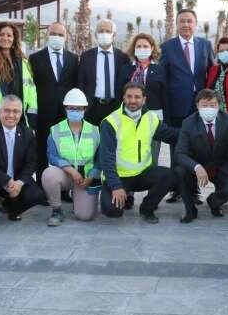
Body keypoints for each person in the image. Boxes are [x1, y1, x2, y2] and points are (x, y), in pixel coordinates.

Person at [98, 82, 180, 223]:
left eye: (137, 97)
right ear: (123, 98)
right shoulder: (111, 121)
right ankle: (121, 197)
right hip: (120, 176)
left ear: (144, 99)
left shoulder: (151, 118)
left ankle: (147, 208)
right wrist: (116, 186)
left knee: (170, 175)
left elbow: (170, 134)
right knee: (112, 211)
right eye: (129, 96)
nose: (133, 100)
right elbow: (106, 158)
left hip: (143, 174)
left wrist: (193, 131)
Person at [174, 89, 228, 223]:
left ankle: (214, 201)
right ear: (197, 106)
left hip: (221, 163)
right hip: (198, 163)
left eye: (213, 105)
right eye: (204, 105)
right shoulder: (188, 123)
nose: (209, 109)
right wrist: (197, 167)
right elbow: (179, 153)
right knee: (180, 171)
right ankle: (190, 209)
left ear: (218, 106)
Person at [0, 95, 46, 231]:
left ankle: (12, 208)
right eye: (7, 110)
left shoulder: (28, 133)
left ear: (20, 114)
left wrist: (19, 183)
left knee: (37, 195)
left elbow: (31, 163)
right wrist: (7, 181)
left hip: (16, 181)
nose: (11, 115)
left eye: (15, 111)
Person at [28, 22, 79, 184]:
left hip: (66, 114)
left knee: (65, 150)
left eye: (61, 34)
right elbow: (31, 86)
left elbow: (75, 85)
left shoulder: (73, 59)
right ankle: (42, 186)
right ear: (47, 35)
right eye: (53, 34)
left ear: (66, 37)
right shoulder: (35, 58)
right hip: (43, 112)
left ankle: (64, 187)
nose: (57, 37)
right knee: (42, 150)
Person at [41, 89, 101, 226]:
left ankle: (78, 200)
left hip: (86, 178)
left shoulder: (95, 130)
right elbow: (52, 156)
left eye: (78, 108)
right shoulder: (55, 130)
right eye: (71, 108)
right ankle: (57, 210)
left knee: (85, 216)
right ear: (65, 108)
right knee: (48, 174)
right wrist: (72, 171)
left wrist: (91, 177)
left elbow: (99, 159)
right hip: (66, 175)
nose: (75, 111)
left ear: (84, 109)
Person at [159, 8, 214, 130]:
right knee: (179, 140)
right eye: (182, 21)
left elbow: (212, 73)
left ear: (195, 24)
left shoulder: (205, 45)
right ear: (177, 24)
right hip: (177, 106)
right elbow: (163, 78)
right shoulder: (166, 47)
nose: (186, 24)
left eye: (189, 21)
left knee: (202, 139)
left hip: (202, 104)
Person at [119, 33, 167, 165]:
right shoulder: (126, 69)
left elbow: (165, 96)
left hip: (154, 118)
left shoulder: (160, 69)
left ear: (152, 48)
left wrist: (166, 121)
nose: (142, 48)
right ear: (133, 49)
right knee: (131, 153)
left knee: (152, 154)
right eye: (138, 46)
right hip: (130, 117)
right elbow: (119, 94)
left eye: (145, 46)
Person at [78, 19, 129, 125]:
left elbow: (126, 83)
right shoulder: (86, 56)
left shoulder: (123, 57)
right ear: (96, 35)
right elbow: (81, 83)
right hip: (93, 107)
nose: (104, 34)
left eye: (108, 31)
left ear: (114, 35)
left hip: (115, 107)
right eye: (101, 31)